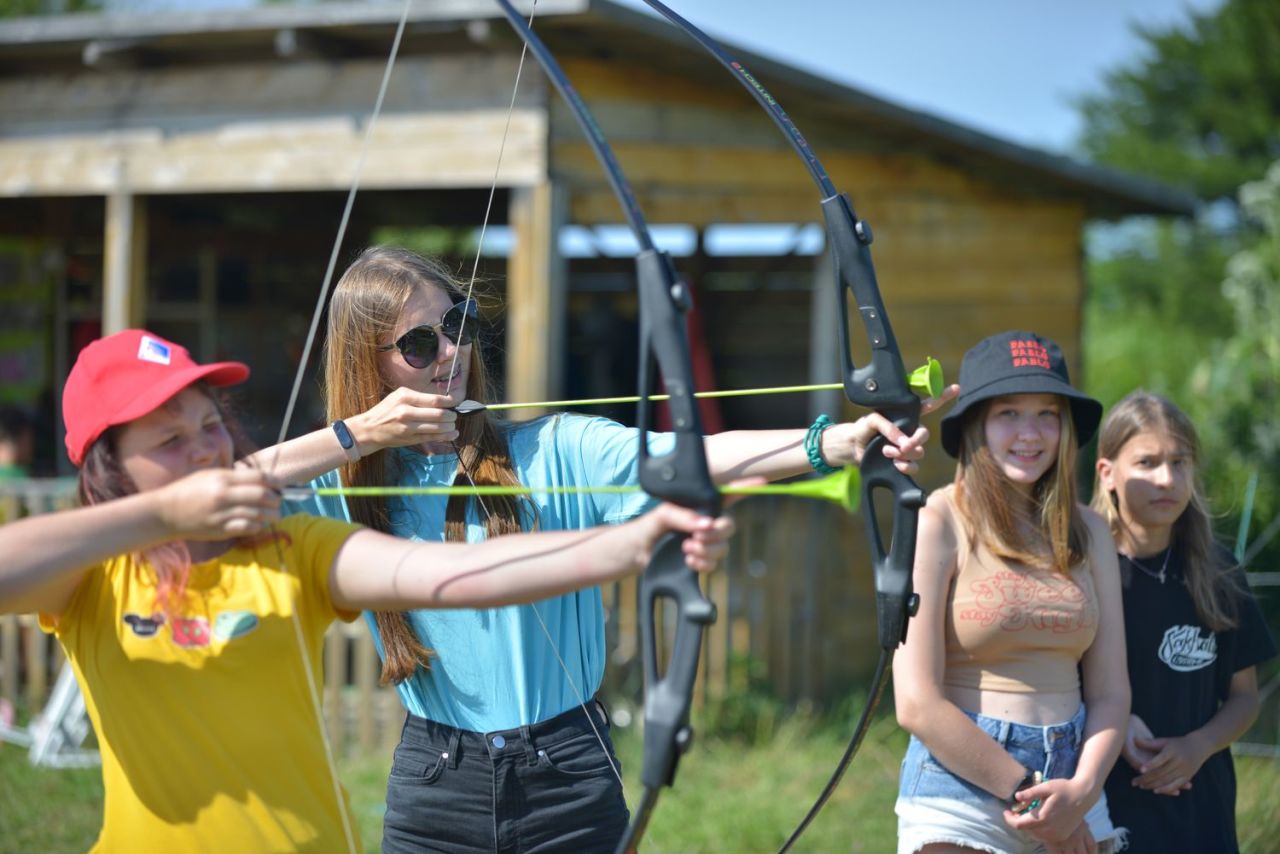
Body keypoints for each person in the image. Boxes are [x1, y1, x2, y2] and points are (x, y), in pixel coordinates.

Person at [253, 245, 956, 851]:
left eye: (458, 325)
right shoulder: (345, 490)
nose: (450, 354)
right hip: (436, 783)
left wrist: (833, 441)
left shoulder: (555, 448)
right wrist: (358, 435)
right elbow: (222, 496)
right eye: (418, 344)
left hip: (566, 769)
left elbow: (690, 456)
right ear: (366, 364)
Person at [0, 328, 736, 852]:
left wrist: (631, 544)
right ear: (110, 471)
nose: (207, 449)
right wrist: (163, 516)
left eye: (209, 425)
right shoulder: (92, 581)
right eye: (168, 441)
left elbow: (453, 576)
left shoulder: (290, 550)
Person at [892, 330, 1129, 854]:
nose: (1031, 432)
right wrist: (1033, 801)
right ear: (975, 424)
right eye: (1009, 413)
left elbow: (1111, 692)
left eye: (1048, 413)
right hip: (960, 786)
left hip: (1075, 782)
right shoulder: (938, 519)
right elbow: (915, 703)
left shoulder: (1090, 534)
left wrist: (1082, 791)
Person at [1093, 390, 1276, 853]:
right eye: (1147, 463)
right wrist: (1116, 724)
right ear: (1107, 473)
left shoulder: (1218, 570)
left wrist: (1198, 746)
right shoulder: (1080, 572)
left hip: (1201, 813)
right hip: (1102, 810)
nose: (1166, 479)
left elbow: (1244, 698)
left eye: (1180, 463)